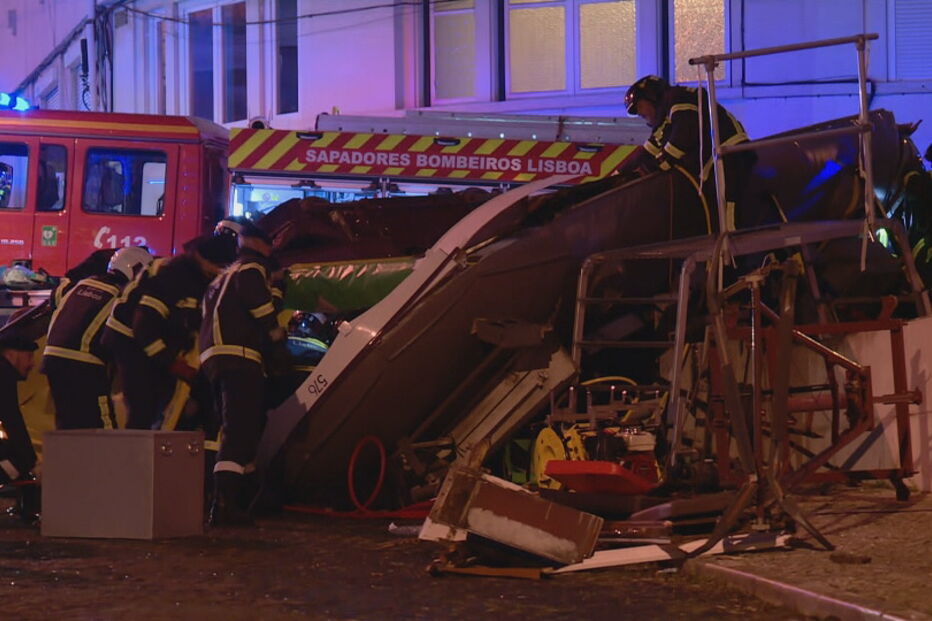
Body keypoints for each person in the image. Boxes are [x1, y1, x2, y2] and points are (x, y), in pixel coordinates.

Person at [199, 222, 289, 526]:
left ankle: (245, 498)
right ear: (257, 244)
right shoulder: (252, 267)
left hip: (214, 359)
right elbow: (259, 306)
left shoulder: (223, 275)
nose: (271, 249)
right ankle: (224, 507)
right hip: (239, 357)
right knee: (239, 431)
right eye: (269, 244)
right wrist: (277, 338)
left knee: (235, 429)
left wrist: (275, 289)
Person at [101, 234, 237, 430]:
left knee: (163, 398)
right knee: (143, 405)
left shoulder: (197, 277)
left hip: (152, 335)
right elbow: (144, 328)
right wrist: (171, 363)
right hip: (129, 338)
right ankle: (137, 454)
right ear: (206, 261)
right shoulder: (172, 277)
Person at [618, 75, 753, 230]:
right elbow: (645, 154)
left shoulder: (678, 98)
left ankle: (731, 250)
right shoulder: (665, 119)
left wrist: (664, 161)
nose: (639, 114)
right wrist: (619, 175)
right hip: (716, 161)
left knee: (725, 210)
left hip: (728, 155)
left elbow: (685, 132)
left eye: (639, 106)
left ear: (651, 96)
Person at [41, 246, 153, 429]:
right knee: (103, 426)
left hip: (51, 360)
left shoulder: (80, 284)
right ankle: (106, 459)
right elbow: (123, 337)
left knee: (67, 425)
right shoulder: (121, 295)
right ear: (135, 270)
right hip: (84, 364)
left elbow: (58, 295)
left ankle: (67, 458)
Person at [0, 334, 40, 522]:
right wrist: (29, 460)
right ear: (11, 355)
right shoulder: (4, 373)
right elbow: (11, 418)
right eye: (29, 356)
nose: (32, 364)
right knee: (16, 461)